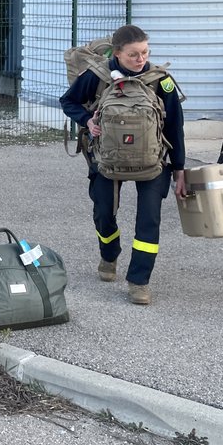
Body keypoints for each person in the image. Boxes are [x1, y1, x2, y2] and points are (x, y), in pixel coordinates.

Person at [59, 25, 187, 306]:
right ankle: (109, 254)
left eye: (145, 53)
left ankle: (139, 282)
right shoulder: (98, 75)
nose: (141, 59)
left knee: (149, 221)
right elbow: (68, 101)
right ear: (117, 54)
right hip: (107, 158)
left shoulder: (160, 80)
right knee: (104, 213)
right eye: (133, 55)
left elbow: (175, 126)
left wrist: (179, 170)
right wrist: (87, 120)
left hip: (153, 161)